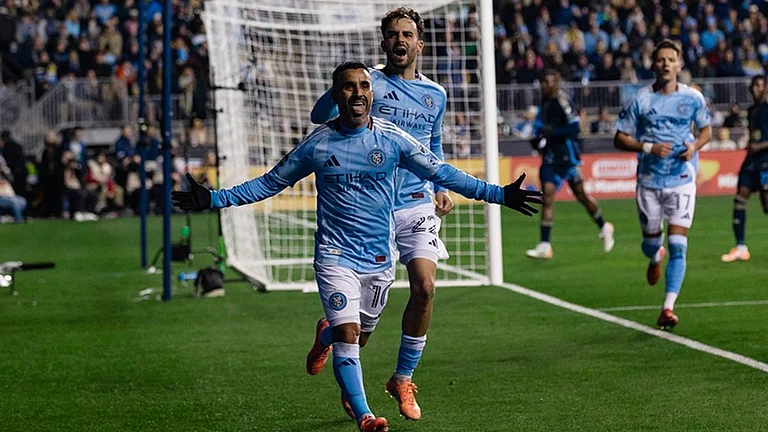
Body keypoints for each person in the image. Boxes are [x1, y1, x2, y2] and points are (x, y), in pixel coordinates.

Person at [172, 62, 542, 432]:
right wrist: (214, 199)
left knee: (359, 334)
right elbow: (270, 182)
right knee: (349, 336)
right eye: (348, 87)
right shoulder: (318, 145)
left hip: (380, 260)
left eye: (364, 86)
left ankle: (324, 336)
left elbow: (443, 173)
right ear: (336, 96)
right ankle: (366, 415)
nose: (358, 93)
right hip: (334, 257)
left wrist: (499, 194)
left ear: (372, 93)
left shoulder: (393, 139)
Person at [309, 8, 453, 420]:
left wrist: (441, 187)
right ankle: (333, 340)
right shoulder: (368, 83)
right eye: (392, 35)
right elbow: (320, 117)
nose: (400, 41)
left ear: (419, 44)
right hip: (371, 211)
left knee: (425, 287)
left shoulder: (436, 95)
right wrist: (344, 87)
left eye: (407, 34)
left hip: (417, 204)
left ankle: (402, 378)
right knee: (362, 327)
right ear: (384, 42)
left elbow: (434, 144)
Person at [613, 40, 712, 329]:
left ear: (680, 64)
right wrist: (648, 147)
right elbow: (619, 138)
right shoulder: (640, 100)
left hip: (681, 179)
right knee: (651, 244)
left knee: (678, 245)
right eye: (661, 60)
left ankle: (667, 308)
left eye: (672, 59)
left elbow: (706, 131)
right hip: (649, 182)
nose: (666, 64)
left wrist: (694, 147)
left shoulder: (693, 98)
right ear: (653, 64)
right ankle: (655, 257)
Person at [526, 69, 615, 260]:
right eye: (542, 82)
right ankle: (545, 246)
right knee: (547, 197)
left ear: (556, 83)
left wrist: (552, 132)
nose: (545, 86)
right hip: (550, 158)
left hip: (568, 158)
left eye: (548, 82)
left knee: (581, 196)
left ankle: (604, 227)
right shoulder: (545, 101)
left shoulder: (562, 101)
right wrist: (539, 138)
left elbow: (574, 127)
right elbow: (544, 129)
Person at [721, 75, 768, 262]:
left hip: (766, 160)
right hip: (751, 162)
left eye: (759, 85)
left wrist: (760, 146)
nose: (755, 89)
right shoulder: (752, 110)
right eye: (753, 86)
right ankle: (741, 247)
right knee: (740, 197)